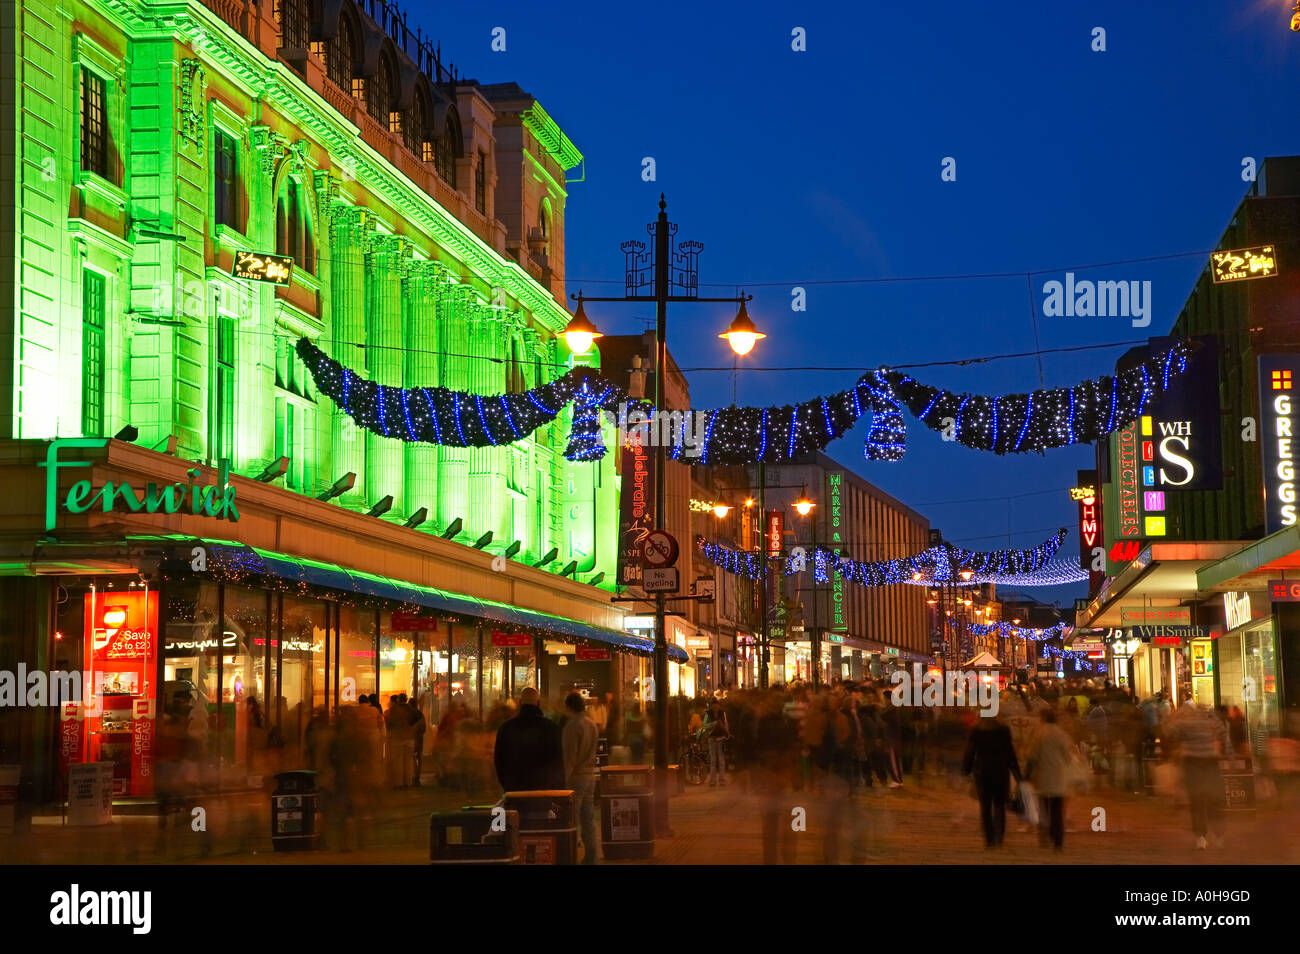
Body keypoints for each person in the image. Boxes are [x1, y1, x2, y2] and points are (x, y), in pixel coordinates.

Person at [1168, 699, 1231, 849]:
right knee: (1214, 799)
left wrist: (1176, 717)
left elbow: (1170, 732)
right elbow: (1225, 738)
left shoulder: (1187, 721)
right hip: (1210, 763)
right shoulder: (1213, 720)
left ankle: (1201, 837)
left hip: (1192, 763)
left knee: (1197, 801)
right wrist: (1229, 757)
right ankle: (1219, 835)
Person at [962, 712, 1022, 848]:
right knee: (1000, 805)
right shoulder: (1003, 730)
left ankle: (989, 839)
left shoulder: (977, 730)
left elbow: (970, 751)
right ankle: (999, 836)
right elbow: (1010, 752)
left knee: (985, 806)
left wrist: (966, 769)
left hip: (982, 772)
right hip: (1000, 771)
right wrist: (1017, 773)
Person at [493, 687, 565, 792]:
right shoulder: (551, 728)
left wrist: (507, 785)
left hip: (515, 787)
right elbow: (558, 760)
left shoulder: (506, 728)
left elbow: (499, 760)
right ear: (538, 703)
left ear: (520, 702)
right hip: (544, 789)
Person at [1025, 708, 1074, 850]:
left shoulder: (1039, 733)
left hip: (1043, 776)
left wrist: (1027, 775)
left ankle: (1045, 838)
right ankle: (1058, 839)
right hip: (1059, 776)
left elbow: (1032, 756)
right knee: (1057, 810)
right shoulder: (1061, 734)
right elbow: (1067, 757)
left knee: (1044, 809)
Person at [562, 691, 599, 864]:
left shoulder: (572, 726)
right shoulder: (591, 724)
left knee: (572, 819)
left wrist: (563, 781)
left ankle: (570, 856)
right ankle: (592, 856)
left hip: (576, 777)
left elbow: (569, 757)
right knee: (588, 818)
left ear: (568, 706)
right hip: (590, 775)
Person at [703, 699, 731, 786]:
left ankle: (721, 780)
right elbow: (704, 725)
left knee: (721, 760)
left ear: (719, 706)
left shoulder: (723, 713)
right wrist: (714, 723)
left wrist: (727, 734)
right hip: (712, 739)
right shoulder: (708, 714)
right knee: (713, 761)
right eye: (714, 706)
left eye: (717, 705)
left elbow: (726, 724)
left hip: (721, 738)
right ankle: (713, 781)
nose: (716, 707)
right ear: (711, 706)